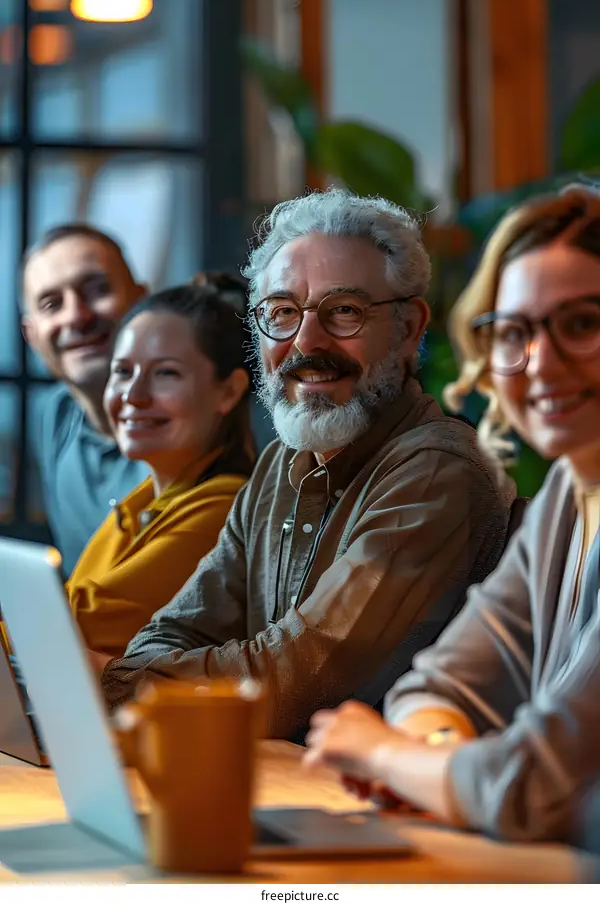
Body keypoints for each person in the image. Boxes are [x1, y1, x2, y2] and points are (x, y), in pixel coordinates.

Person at [101, 189, 514, 735]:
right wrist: (137, 677)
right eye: (282, 313)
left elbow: (289, 683)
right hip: (273, 787)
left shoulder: (437, 470)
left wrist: (130, 685)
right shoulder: (277, 467)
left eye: (344, 311)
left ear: (409, 327)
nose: (306, 342)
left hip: (371, 808)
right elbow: (168, 634)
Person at [305, 182, 600, 846]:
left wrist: (386, 755)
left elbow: (527, 786)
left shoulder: (444, 467)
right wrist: (437, 763)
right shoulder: (565, 497)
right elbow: (439, 684)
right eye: (516, 331)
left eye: (582, 324)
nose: (543, 363)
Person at [67, 279, 256, 660]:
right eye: (122, 372)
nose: (133, 396)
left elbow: (73, 622)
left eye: (165, 373)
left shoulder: (224, 510)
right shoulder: (140, 504)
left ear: (229, 392)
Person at [22, 224, 147, 575]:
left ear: (142, 301)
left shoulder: (200, 421)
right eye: (51, 304)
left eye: (97, 290)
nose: (76, 316)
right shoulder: (51, 416)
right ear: (31, 335)